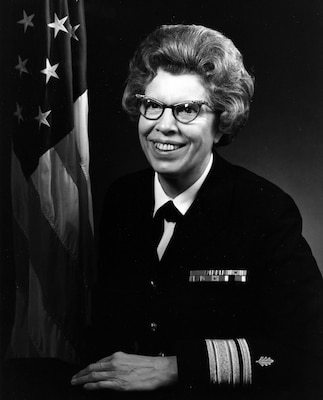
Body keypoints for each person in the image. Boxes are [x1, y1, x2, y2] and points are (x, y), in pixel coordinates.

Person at [71, 24, 323, 399]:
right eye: (152, 105)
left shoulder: (265, 211)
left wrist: (175, 367)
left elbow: (306, 351)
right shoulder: (123, 198)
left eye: (187, 109)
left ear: (221, 123)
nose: (164, 126)